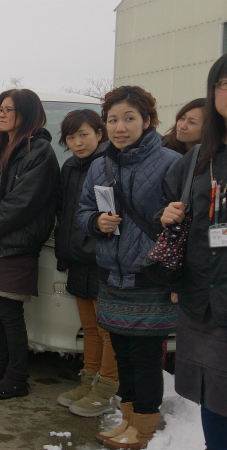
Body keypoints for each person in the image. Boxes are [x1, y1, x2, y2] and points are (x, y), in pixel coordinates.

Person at [77, 86, 181, 449]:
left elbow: (186, 218)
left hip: (149, 275)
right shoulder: (99, 164)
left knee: (146, 357)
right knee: (122, 354)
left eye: (129, 118)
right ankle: (128, 420)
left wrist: (168, 217)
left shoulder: (171, 162)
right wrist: (96, 223)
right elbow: (83, 212)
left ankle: (145, 427)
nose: (120, 127)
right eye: (113, 120)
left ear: (147, 120)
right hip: (112, 275)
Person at [0, 89, 60, 399]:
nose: (2, 114)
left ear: (27, 113)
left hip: (15, 243)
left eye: (9, 109)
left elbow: (25, 201)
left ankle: (17, 377)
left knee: (9, 313)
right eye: (0, 109)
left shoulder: (40, 151)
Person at [159, 54, 227, 450]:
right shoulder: (199, 158)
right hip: (202, 297)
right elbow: (172, 207)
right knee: (214, 395)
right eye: (223, 84)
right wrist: (167, 213)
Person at [54, 110, 120, 417]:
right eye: (71, 137)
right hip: (77, 259)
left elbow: (112, 218)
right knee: (90, 328)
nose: (78, 142)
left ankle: (107, 387)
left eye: (84, 134)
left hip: (101, 258)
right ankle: (89, 379)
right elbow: (65, 215)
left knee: (107, 329)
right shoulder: (69, 166)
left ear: (99, 133)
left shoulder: (109, 163)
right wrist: (64, 255)